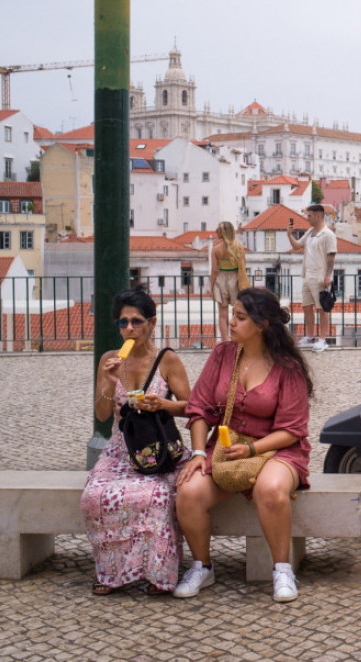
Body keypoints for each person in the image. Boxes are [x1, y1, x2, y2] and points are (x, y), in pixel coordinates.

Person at [174, 287, 313, 602]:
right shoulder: (223, 355)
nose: (231, 323)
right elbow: (200, 408)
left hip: (279, 448)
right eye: (232, 316)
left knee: (271, 490)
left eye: (240, 317)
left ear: (262, 324)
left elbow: (293, 429)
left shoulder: (287, 366)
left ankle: (281, 569)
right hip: (227, 446)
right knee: (189, 491)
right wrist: (198, 454)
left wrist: (253, 450)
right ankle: (202, 566)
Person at [80, 286, 192, 595]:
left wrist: (163, 404)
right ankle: (113, 573)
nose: (129, 329)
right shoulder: (110, 359)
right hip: (120, 450)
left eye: (137, 321)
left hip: (156, 450)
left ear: (152, 324)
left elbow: (191, 406)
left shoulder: (167, 360)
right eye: (123, 322)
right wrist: (108, 380)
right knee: (94, 498)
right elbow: (103, 414)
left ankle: (158, 573)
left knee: (154, 498)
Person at [287, 203, 336, 352]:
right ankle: (309, 337)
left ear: (318, 216)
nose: (307, 218)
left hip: (319, 276)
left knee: (322, 309)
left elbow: (331, 256)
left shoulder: (328, 234)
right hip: (307, 274)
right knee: (306, 307)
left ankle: (322, 339)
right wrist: (289, 235)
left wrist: (328, 275)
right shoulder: (309, 232)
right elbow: (297, 246)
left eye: (309, 215)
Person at [210, 222, 247, 344]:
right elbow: (243, 266)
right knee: (238, 312)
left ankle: (225, 341)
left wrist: (212, 287)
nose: (216, 231)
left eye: (218, 230)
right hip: (236, 279)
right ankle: (238, 339)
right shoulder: (239, 246)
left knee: (222, 315)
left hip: (221, 280)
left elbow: (214, 270)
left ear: (223, 232)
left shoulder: (216, 249)